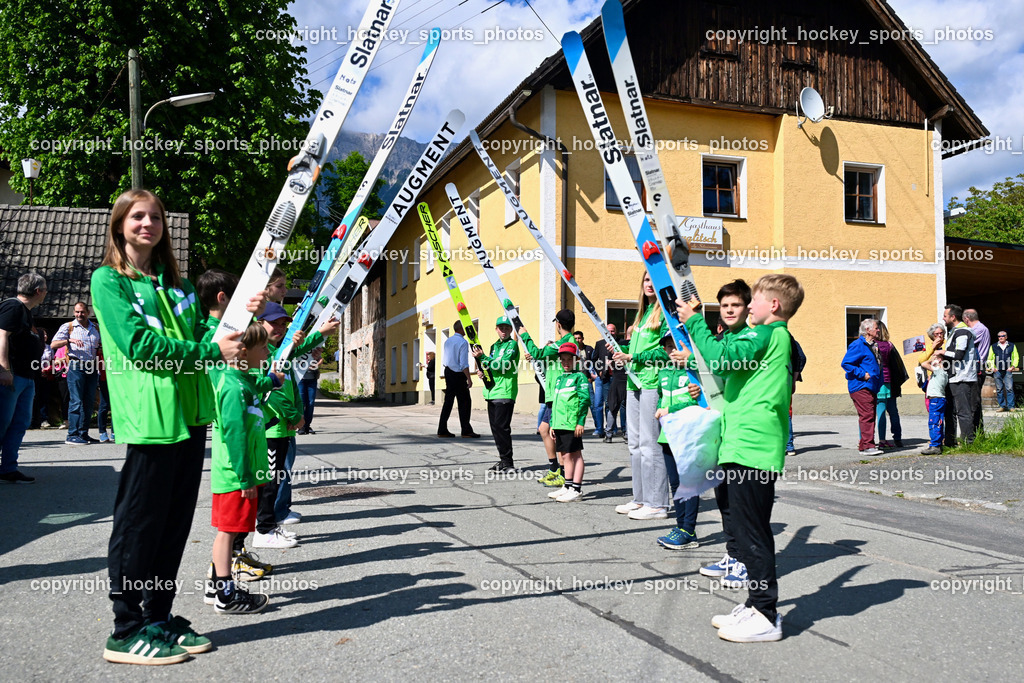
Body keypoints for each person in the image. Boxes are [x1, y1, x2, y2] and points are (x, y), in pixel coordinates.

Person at [93, 189, 255, 665]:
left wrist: (245, 320)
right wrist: (210, 352)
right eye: (138, 216)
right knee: (138, 526)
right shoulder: (109, 282)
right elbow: (140, 345)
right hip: (150, 420)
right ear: (120, 223)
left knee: (172, 526)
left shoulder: (178, 286)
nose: (148, 223)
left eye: (156, 216)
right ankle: (125, 629)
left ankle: (158, 616)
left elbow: (206, 337)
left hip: (189, 416)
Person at [678, 273, 804, 643]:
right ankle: (755, 604)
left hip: (753, 448)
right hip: (741, 445)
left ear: (774, 306)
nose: (751, 306)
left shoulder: (766, 333)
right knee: (744, 529)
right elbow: (725, 370)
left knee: (753, 534)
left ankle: (765, 614)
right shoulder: (764, 338)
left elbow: (721, 356)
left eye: (757, 300)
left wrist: (695, 321)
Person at [195, 267, 278, 583]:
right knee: (231, 521)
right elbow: (229, 389)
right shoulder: (217, 338)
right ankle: (222, 574)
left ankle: (234, 559)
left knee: (241, 518)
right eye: (239, 300)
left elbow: (245, 379)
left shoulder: (232, 336)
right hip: (234, 443)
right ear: (223, 298)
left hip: (245, 441)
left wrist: (266, 379)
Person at [205, 321, 272, 614]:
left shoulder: (243, 379)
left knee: (231, 533)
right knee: (228, 533)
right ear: (244, 350)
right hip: (236, 475)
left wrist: (274, 381)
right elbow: (234, 434)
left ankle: (215, 586)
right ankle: (224, 593)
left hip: (244, 473)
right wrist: (245, 477)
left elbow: (259, 385)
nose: (268, 350)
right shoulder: (232, 387)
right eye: (264, 346)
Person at [696, 279, 751, 584]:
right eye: (724, 306)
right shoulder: (729, 337)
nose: (729, 310)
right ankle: (733, 554)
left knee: (742, 503)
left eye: (735, 305)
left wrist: (693, 321)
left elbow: (723, 363)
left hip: (743, 433)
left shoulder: (749, 338)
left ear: (747, 308)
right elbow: (719, 370)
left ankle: (745, 562)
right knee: (725, 497)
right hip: (723, 426)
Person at [612, 272, 671, 520]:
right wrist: (621, 349)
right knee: (634, 445)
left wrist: (633, 357)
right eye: (646, 279)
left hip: (651, 384)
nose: (650, 284)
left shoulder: (666, 315)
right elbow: (638, 348)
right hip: (633, 382)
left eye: (654, 279)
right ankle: (640, 499)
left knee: (650, 444)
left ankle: (657, 503)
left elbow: (666, 352)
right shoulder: (642, 314)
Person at [652, 333, 702, 549]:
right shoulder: (663, 373)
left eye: (676, 346)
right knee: (675, 484)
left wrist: (669, 410)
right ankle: (680, 526)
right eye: (669, 347)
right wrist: (660, 411)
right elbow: (662, 398)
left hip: (687, 434)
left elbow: (698, 402)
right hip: (667, 435)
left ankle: (689, 530)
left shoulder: (694, 372)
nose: (673, 351)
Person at [519, 310, 576, 486]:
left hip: (560, 394)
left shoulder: (564, 343)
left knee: (554, 433)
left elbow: (538, 351)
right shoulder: (562, 343)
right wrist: (537, 357)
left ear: (558, 324)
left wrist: (524, 335)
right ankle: (555, 469)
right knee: (545, 430)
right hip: (553, 393)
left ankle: (562, 472)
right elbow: (549, 359)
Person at [0, 272, 47, 484]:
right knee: (3, 423)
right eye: (45, 289)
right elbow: (1, 335)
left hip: (26, 377)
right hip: (12, 376)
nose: (46, 293)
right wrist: (3, 369)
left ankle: (8, 468)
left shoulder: (25, 312)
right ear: (38, 291)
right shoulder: (13, 307)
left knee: (19, 423)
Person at [51, 301, 102, 445]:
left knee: (89, 401)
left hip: (92, 366)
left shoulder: (96, 327)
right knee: (76, 400)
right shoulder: (68, 327)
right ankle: (72, 434)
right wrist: (69, 340)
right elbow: (53, 344)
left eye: (82, 312)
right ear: (74, 312)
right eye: (77, 312)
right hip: (76, 365)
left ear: (88, 313)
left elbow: (102, 345)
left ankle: (83, 433)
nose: (79, 315)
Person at [473, 316, 520, 472]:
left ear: (511, 330)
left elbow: (504, 365)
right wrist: (483, 372)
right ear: (496, 329)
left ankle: (508, 463)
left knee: (502, 428)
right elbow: (491, 366)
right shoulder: (494, 346)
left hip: (505, 392)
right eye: (501, 328)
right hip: (492, 391)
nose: (504, 331)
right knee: (496, 429)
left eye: (507, 328)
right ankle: (503, 460)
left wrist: (483, 358)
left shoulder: (512, 345)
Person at [545, 341, 590, 502]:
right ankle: (567, 485)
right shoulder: (559, 379)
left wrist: (580, 422)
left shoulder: (580, 377)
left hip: (572, 423)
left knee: (574, 455)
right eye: (563, 360)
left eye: (569, 360)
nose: (566, 363)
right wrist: (552, 423)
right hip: (559, 424)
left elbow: (584, 401)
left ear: (576, 360)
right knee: (564, 455)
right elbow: (555, 403)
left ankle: (576, 489)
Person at [841, 319, 883, 455]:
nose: (878, 330)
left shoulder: (872, 345)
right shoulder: (858, 345)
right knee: (867, 415)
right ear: (868, 330)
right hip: (861, 385)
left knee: (868, 414)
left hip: (871, 386)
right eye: (876, 328)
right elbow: (846, 363)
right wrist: (862, 374)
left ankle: (864, 445)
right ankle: (868, 446)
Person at [942, 304, 979, 446]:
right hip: (954, 377)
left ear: (953, 317)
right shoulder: (955, 331)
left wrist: (943, 352)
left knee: (963, 412)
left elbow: (959, 355)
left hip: (962, 377)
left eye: (945, 316)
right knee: (951, 411)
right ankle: (950, 442)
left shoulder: (962, 332)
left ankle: (968, 443)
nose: (943, 318)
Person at [438, 321, 479, 438]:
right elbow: (463, 364)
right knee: (465, 402)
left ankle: (442, 428)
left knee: (448, 402)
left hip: (448, 371)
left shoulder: (448, 341)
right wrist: (469, 379)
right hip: (458, 374)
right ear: (461, 329)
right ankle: (466, 430)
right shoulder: (463, 342)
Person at [874, 321, 907, 449]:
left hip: (879, 381)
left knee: (880, 411)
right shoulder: (889, 345)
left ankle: (881, 440)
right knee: (893, 412)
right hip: (891, 382)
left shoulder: (873, 345)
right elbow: (897, 365)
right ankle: (897, 438)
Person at [920, 323, 949, 455]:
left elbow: (923, 362)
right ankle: (938, 441)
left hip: (937, 396)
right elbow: (922, 359)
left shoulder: (940, 367)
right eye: (936, 334)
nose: (939, 336)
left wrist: (936, 355)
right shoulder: (931, 350)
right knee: (938, 420)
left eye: (940, 333)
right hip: (936, 393)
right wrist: (932, 349)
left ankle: (936, 444)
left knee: (934, 420)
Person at [964, 309, 990, 431]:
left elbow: (965, 343)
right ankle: (976, 432)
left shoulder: (978, 329)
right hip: (977, 368)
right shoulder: (981, 328)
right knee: (973, 402)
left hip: (977, 369)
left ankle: (975, 433)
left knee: (974, 403)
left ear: (966, 319)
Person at [574, 330, 602, 437]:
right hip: (575, 380)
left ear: (583, 338)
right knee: (575, 404)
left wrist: (592, 377)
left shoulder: (589, 349)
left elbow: (595, 363)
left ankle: (598, 427)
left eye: (579, 338)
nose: (577, 340)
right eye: (575, 338)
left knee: (593, 404)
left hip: (586, 380)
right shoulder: (572, 349)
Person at [603, 324, 628, 443]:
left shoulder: (619, 345)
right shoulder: (632, 346)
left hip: (621, 378)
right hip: (624, 379)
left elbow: (610, 362)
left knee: (614, 407)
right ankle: (625, 434)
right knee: (620, 407)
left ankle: (610, 434)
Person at [593, 323, 617, 439]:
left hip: (617, 377)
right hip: (605, 378)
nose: (610, 333)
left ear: (615, 332)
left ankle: (611, 428)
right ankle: (601, 429)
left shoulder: (619, 343)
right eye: (608, 331)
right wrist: (599, 371)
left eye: (612, 331)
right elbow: (593, 360)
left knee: (613, 404)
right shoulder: (599, 344)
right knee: (603, 404)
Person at [987, 331, 1018, 412]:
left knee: (1009, 389)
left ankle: (1011, 407)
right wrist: (992, 367)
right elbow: (989, 359)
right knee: (999, 389)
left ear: (1006, 337)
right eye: (999, 336)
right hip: (997, 371)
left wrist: (1013, 366)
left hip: (1008, 370)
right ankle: (1002, 406)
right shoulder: (993, 346)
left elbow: (1016, 357)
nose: (1000, 337)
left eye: (1003, 336)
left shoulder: (1012, 345)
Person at [785, 337, 806, 456]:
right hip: (786, 380)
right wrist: (794, 378)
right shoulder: (787, 336)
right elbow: (801, 357)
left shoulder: (763, 334)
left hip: (770, 382)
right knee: (786, 413)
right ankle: (789, 446)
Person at [298, 347, 322, 434]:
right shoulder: (299, 350)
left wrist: (316, 365)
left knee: (311, 403)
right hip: (301, 379)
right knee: (301, 402)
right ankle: (301, 426)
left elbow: (320, 359)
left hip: (312, 379)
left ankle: (307, 425)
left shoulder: (313, 349)